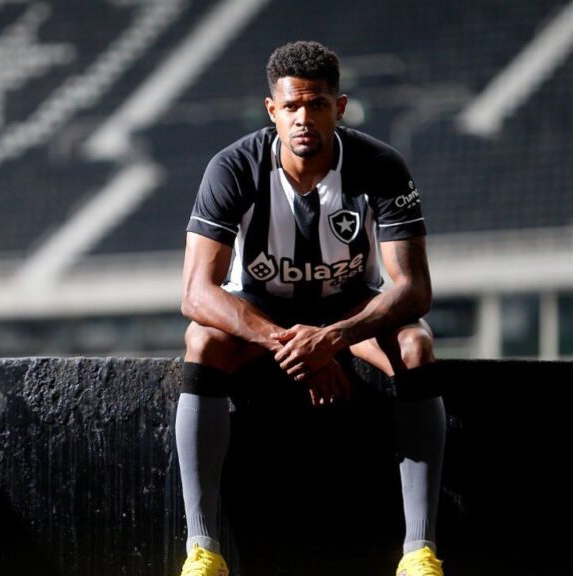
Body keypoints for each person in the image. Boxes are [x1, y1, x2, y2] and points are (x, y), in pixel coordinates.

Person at [176, 40, 446, 576]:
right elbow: (197, 293)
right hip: (261, 310)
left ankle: (419, 551)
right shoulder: (232, 168)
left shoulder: (380, 167)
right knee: (201, 340)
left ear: (339, 108)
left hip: (348, 310)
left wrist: (334, 339)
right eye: (293, 106)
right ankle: (202, 550)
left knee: (417, 343)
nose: (305, 118)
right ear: (272, 110)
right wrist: (296, 345)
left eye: (317, 105)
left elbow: (413, 289)